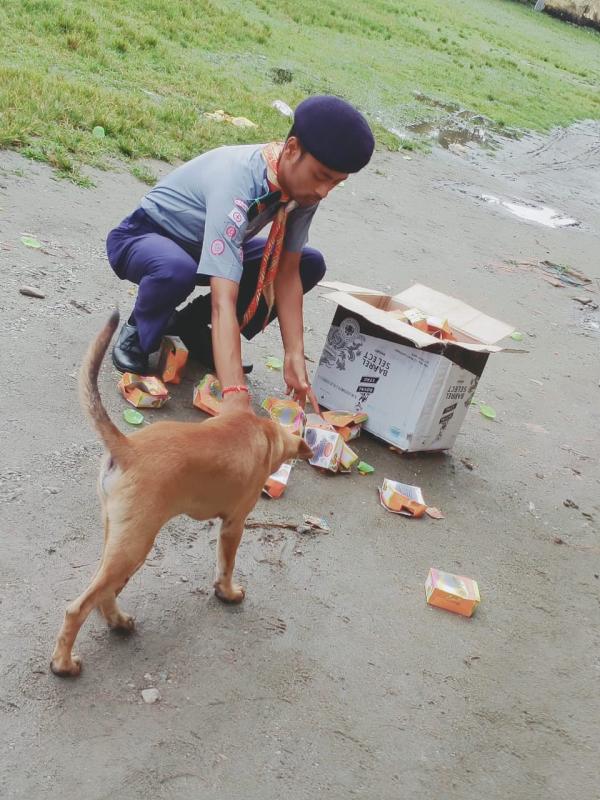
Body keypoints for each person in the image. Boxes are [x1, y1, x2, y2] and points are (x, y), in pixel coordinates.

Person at [106, 95, 374, 413]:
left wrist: (294, 355)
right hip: (146, 238)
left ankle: (189, 325)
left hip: (207, 252)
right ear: (291, 149)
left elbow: (287, 274)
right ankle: (140, 330)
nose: (323, 191)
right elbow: (224, 299)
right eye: (320, 176)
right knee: (176, 270)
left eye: (336, 183)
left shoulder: (302, 192)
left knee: (307, 264)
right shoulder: (237, 180)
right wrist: (235, 396)